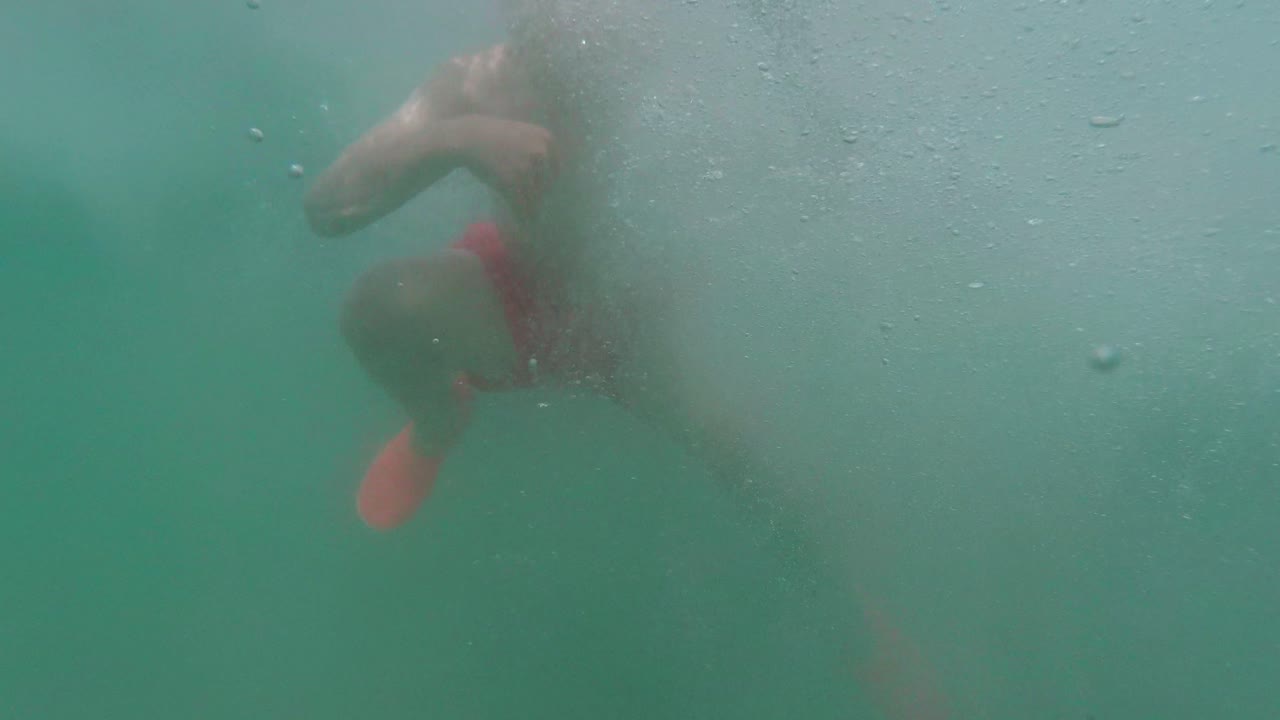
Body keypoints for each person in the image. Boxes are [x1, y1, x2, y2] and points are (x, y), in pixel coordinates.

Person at [306, 24, 949, 720]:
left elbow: (807, 144)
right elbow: (326, 209)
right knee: (373, 310)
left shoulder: (665, 67)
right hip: (516, 293)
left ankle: (864, 636)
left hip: (638, 333)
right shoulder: (474, 84)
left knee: (765, 476)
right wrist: (458, 139)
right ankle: (438, 419)